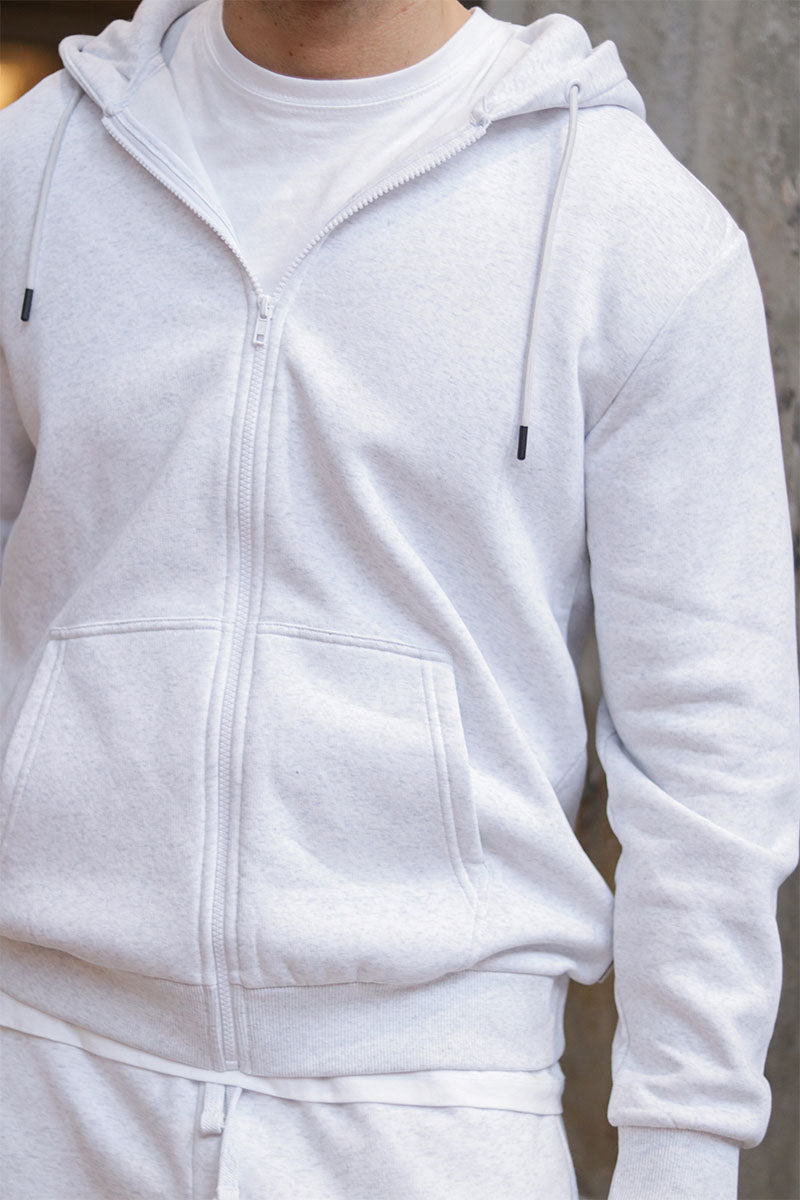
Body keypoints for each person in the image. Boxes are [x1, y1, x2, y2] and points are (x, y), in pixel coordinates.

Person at [0, 0, 797, 1196]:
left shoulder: (629, 227)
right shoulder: (33, 171)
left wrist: (679, 1155)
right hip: (38, 1082)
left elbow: (711, 753)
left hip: (430, 1112)